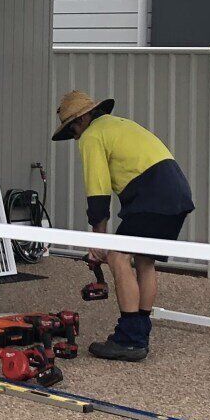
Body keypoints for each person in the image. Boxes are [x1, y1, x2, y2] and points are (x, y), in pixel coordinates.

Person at [53, 90, 195, 361]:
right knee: (144, 261)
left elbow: (98, 190)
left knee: (118, 257)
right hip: (177, 192)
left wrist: (99, 241)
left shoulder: (92, 135)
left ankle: (129, 340)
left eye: (72, 130)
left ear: (81, 120)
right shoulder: (120, 125)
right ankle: (139, 331)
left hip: (151, 195)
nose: (75, 137)